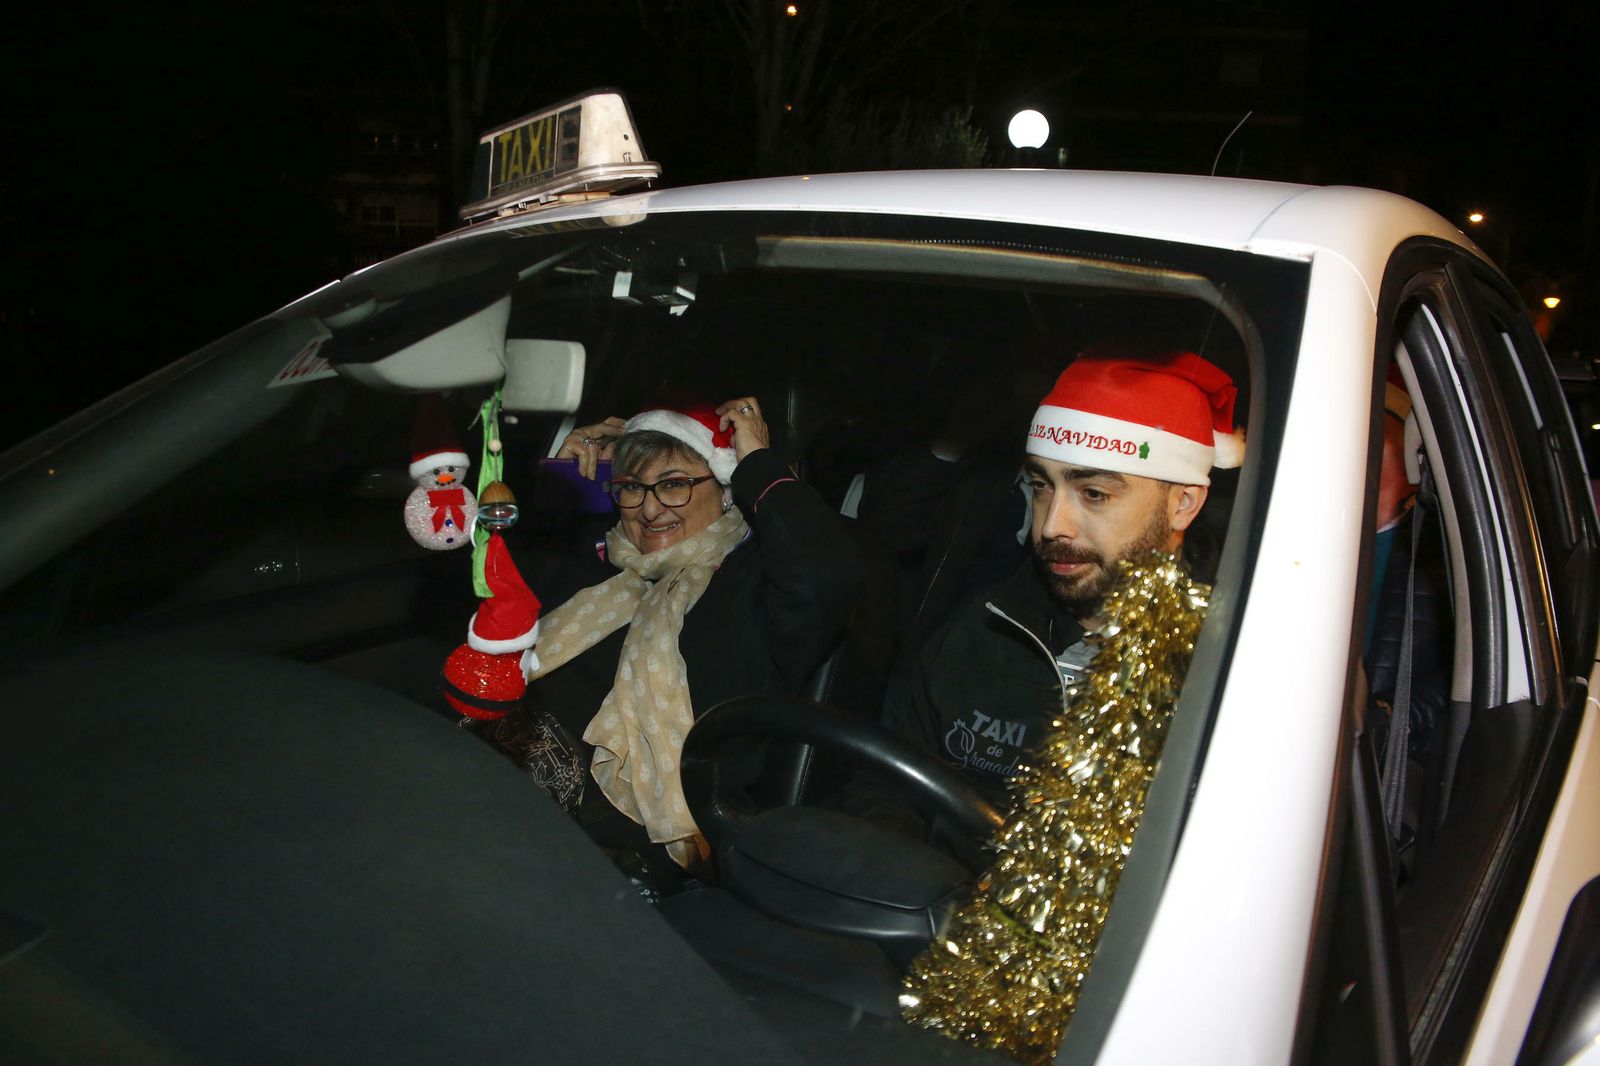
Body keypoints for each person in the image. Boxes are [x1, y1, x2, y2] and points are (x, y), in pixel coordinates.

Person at [498, 395, 864, 873]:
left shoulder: (754, 588)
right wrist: (559, 482)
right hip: (502, 783)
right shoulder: (597, 561)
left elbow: (827, 573)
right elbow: (497, 590)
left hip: (613, 850)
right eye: (631, 487)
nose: (650, 510)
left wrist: (757, 465)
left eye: (674, 485)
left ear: (726, 487)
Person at [881, 349, 1242, 806]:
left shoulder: (1232, 667)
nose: (1051, 525)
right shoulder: (983, 628)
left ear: (1183, 504)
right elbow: (884, 793)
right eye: (1041, 486)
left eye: (1093, 493)